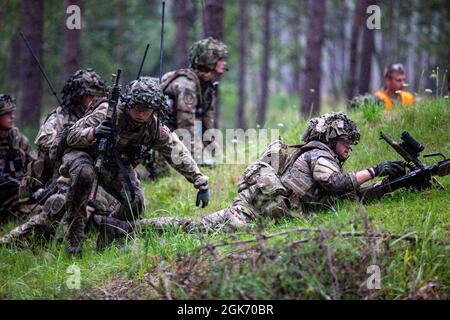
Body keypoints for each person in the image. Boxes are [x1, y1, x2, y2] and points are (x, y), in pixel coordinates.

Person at [95, 112, 405, 235]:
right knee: (191, 229)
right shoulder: (318, 154)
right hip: (250, 215)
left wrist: (390, 184)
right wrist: (375, 170)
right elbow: (336, 184)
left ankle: (121, 226)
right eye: (344, 142)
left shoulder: (319, 153)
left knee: (191, 227)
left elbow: (348, 196)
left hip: (260, 214)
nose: (348, 148)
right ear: (330, 140)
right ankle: (122, 227)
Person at [61, 78, 210, 255]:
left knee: (135, 201)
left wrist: (199, 180)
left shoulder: (153, 126)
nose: (141, 113)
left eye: (147, 109)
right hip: (84, 154)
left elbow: (175, 150)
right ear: (129, 102)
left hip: (114, 164)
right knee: (85, 174)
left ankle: (110, 235)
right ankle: (75, 238)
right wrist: (93, 133)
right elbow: (69, 137)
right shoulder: (107, 112)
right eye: (137, 107)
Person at [0, 69, 112, 246]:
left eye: (97, 95)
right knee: (55, 209)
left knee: (104, 208)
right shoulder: (61, 117)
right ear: (78, 95)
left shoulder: (99, 115)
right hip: (60, 179)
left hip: (92, 177)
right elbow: (44, 141)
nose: (93, 100)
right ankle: (12, 242)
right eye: (89, 95)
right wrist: (75, 140)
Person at [158, 36, 228, 166]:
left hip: (179, 140)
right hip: (163, 139)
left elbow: (206, 127)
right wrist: (194, 163)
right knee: (159, 175)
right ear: (209, 60)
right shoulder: (187, 85)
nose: (224, 63)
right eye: (220, 59)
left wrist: (219, 158)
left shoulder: (206, 86)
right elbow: (186, 127)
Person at [0, 93, 36, 225]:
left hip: (15, 198)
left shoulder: (18, 140)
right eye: (6, 113)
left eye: (12, 112)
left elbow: (34, 165)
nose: (12, 116)